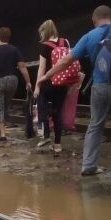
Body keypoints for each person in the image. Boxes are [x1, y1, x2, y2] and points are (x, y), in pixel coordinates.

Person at [45, 5, 111, 179]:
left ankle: (89, 166)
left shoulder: (89, 36)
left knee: (95, 125)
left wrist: (46, 76)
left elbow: (66, 61)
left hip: (100, 87)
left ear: (94, 20)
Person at [32, 20, 75, 156]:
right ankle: (57, 145)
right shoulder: (66, 42)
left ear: (44, 32)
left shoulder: (45, 46)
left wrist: (37, 86)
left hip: (48, 83)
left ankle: (45, 135)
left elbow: (42, 69)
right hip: (62, 83)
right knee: (58, 112)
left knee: (41, 106)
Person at [0, 27, 31, 142]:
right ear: (8, 38)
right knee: (6, 106)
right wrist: (28, 82)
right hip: (12, 81)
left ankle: (2, 133)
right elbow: (22, 67)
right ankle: (1, 129)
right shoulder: (14, 50)